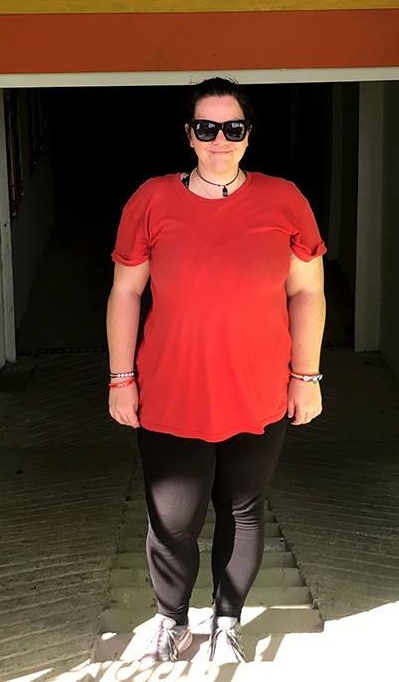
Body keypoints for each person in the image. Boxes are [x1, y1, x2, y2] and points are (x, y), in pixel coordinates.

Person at [107, 77, 326, 666]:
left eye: (233, 128)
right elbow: (126, 292)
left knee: (243, 509)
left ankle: (227, 620)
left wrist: (306, 378)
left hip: (258, 392)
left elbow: (307, 291)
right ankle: (172, 618)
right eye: (207, 128)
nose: (220, 139)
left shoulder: (285, 201)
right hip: (171, 392)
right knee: (173, 520)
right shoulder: (152, 200)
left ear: (249, 135)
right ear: (189, 135)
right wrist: (121, 379)